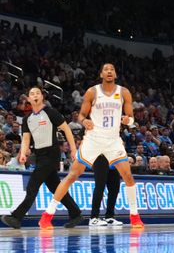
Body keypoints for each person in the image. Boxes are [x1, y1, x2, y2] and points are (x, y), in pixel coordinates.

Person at [42, 64, 142, 229]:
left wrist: (128, 121)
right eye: (106, 69)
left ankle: (135, 216)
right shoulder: (92, 92)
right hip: (93, 140)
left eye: (112, 69)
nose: (109, 71)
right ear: (101, 73)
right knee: (72, 175)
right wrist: (84, 120)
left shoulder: (124, 92)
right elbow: (81, 115)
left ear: (115, 73)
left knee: (128, 177)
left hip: (113, 140)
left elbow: (131, 119)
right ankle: (47, 215)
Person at [0, 87, 82, 230]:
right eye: (32, 94)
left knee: (32, 185)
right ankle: (75, 213)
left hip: (52, 153)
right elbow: (26, 138)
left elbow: (67, 129)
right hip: (39, 155)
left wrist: (73, 149)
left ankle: (16, 217)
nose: (35, 95)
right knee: (55, 187)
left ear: (42, 97)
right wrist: (23, 153)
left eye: (38, 93)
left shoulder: (51, 112)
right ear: (29, 99)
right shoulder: (27, 119)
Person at [89, 154, 123, 227]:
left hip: (113, 158)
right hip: (100, 157)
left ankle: (109, 216)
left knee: (114, 188)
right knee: (100, 187)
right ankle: (93, 217)